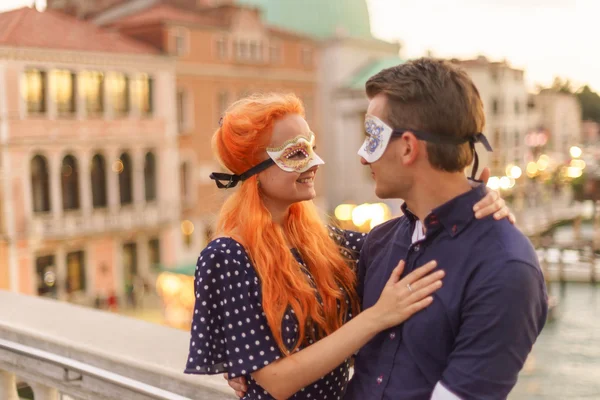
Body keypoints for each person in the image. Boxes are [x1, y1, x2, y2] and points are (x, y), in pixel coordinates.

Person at [187, 92, 513, 399]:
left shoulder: (326, 242)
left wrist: (468, 201)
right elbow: (277, 382)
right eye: (296, 153)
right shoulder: (227, 256)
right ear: (253, 171)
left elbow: (411, 241)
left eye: (311, 148)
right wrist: (377, 317)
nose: (315, 163)